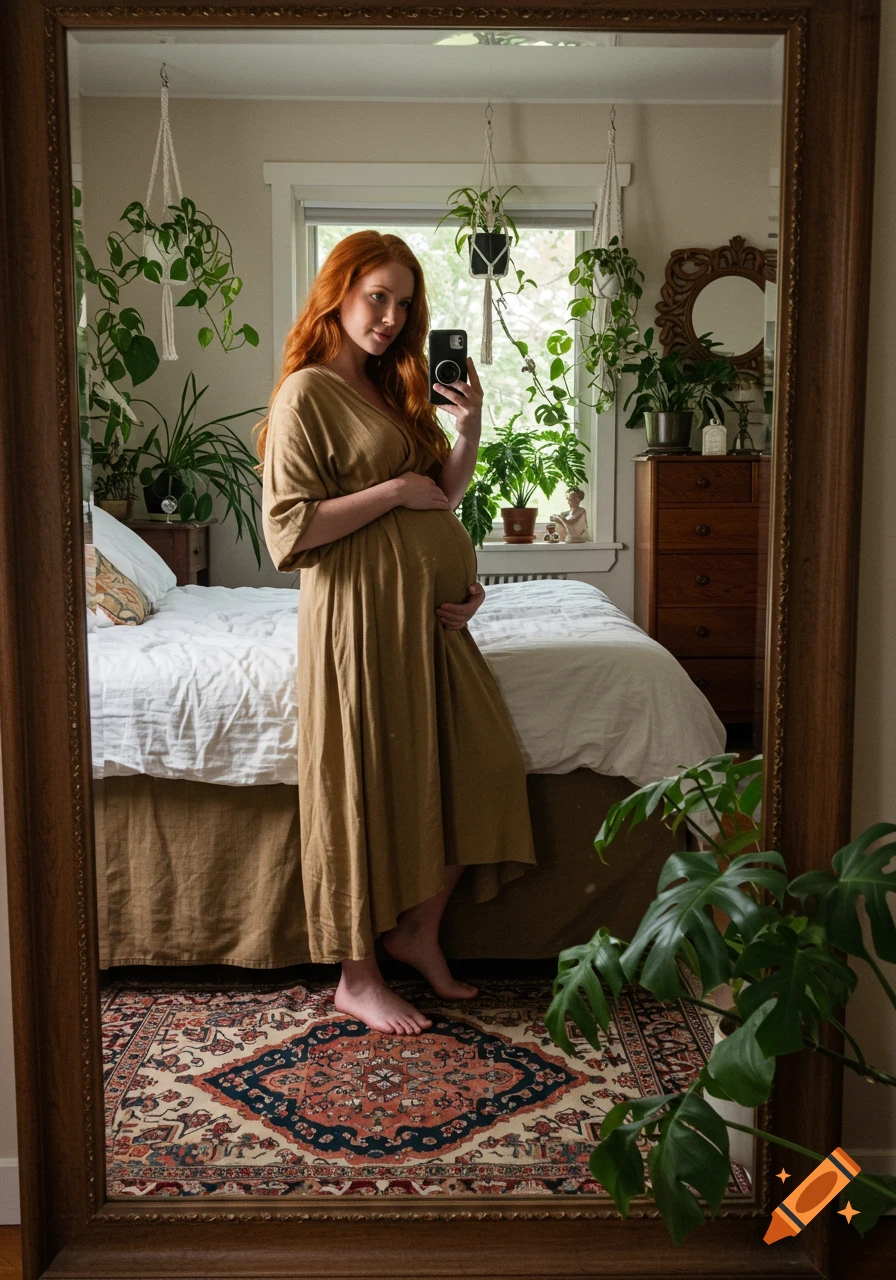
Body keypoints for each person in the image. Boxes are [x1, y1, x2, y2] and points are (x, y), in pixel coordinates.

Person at [254, 231, 536, 1037]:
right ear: (339, 292)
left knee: (481, 765)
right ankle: (357, 974)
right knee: (363, 785)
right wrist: (392, 493)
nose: (390, 315)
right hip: (356, 618)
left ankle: (417, 932)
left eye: (404, 302)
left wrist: (470, 432)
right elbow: (289, 534)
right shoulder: (306, 393)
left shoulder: (388, 386)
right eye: (377, 296)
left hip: (430, 619)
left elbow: (438, 497)